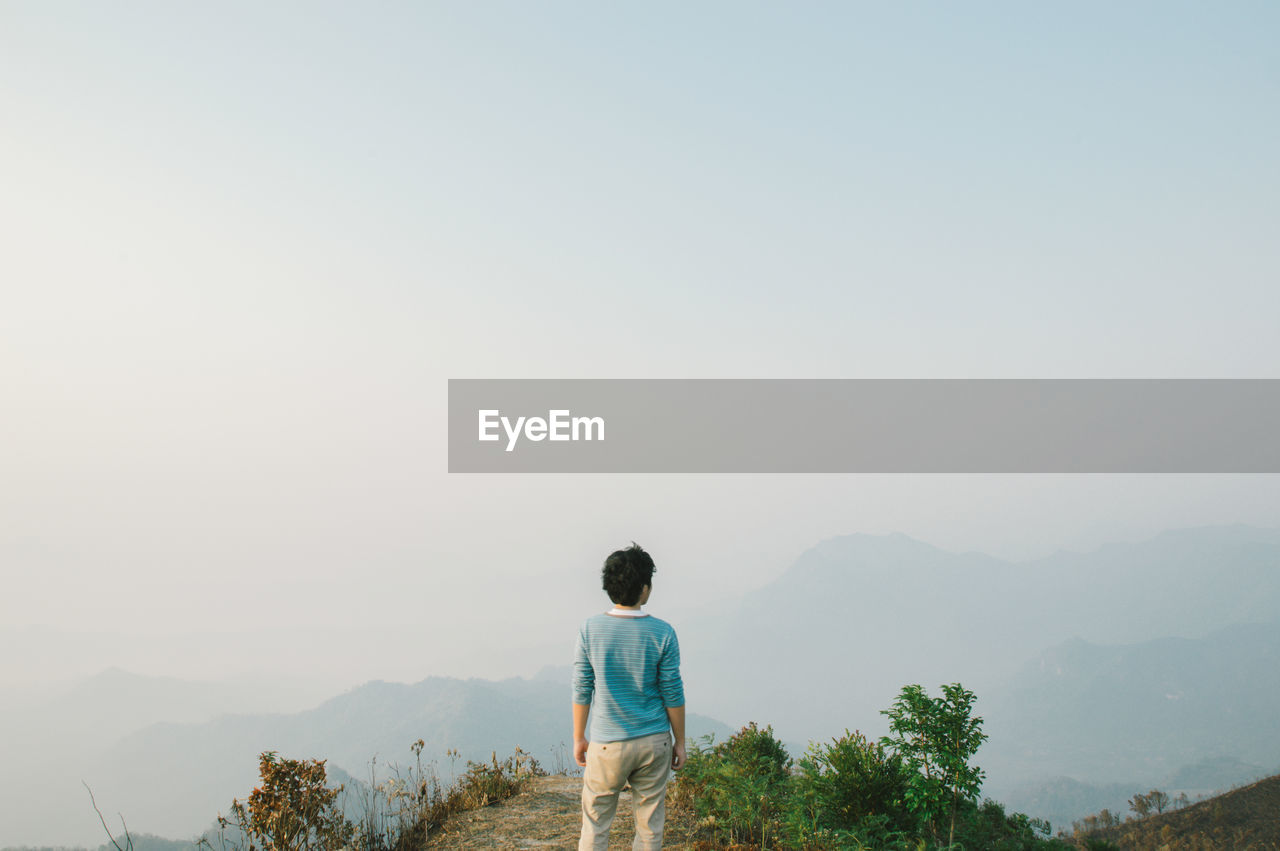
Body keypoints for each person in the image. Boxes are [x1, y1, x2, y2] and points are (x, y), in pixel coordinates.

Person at [572, 542, 686, 851]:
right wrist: (681, 741)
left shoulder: (590, 630)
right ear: (645, 589)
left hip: (607, 743)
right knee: (649, 827)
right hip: (653, 742)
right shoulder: (663, 633)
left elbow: (582, 686)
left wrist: (579, 737)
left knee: (595, 826)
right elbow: (672, 692)